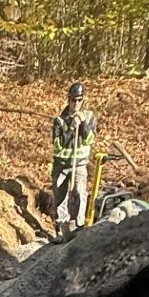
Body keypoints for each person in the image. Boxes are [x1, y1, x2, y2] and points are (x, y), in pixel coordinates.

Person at [51, 82, 98, 236]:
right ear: (68, 99)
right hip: (61, 165)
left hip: (79, 164)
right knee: (60, 197)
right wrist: (71, 127)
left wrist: (82, 124)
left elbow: (89, 139)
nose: (76, 103)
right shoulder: (59, 120)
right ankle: (61, 230)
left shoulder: (89, 117)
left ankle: (78, 227)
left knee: (79, 193)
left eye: (79, 100)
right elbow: (58, 145)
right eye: (73, 100)